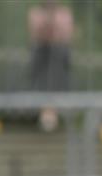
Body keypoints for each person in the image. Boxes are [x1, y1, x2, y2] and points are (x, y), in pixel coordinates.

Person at [27, 0, 74, 131]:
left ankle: (55, 112)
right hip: (42, 55)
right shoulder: (35, 13)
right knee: (43, 79)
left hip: (58, 56)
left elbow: (65, 35)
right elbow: (37, 34)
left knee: (57, 73)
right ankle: (42, 112)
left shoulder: (64, 13)